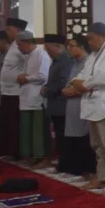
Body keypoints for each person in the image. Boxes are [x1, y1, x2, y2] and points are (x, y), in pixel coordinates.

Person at [71, 22, 105, 191]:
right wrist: (78, 82)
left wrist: (83, 84)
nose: (89, 43)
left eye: (91, 39)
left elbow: (103, 77)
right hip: (92, 104)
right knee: (97, 146)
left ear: (102, 36)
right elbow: (81, 74)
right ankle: (102, 177)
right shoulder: (94, 54)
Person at [56, 35, 95, 179]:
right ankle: (74, 168)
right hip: (71, 105)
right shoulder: (74, 63)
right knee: (72, 136)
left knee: (84, 137)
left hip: (83, 104)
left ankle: (87, 169)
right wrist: (66, 90)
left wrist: (75, 90)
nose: (69, 49)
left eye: (72, 46)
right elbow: (69, 83)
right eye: (68, 46)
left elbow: (88, 84)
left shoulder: (88, 62)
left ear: (82, 47)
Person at [15, 31, 52, 166]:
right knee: (26, 131)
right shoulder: (27, 56)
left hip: (37, 99)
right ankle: (29, 156)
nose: (19, 48)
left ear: (27, 42)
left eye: (20, 45)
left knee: (38, 131)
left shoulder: (41, 55)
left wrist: (26, 78)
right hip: (25, 98)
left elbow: (43, 76)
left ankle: (41, 157)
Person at [0, 18, 29, 159]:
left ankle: (17, 152)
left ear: (18, 30)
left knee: (15, 124)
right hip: (7, 91)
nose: (7, 32)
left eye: (9, 29)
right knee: (8, 123)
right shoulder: (13, 46)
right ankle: (10, 150)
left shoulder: (24, 47)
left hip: (17, 92)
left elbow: (29, 65)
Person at [41, 34, 72, 169]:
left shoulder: (65, 60)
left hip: (62, 104)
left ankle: (65, 164)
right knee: (59, 135)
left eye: (49, 49)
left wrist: (47, 90)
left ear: (58, 46)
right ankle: (62, 162)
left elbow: (63, 82)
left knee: (63, 136)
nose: (47, 52)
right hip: (55, 104)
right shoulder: (57, 59)